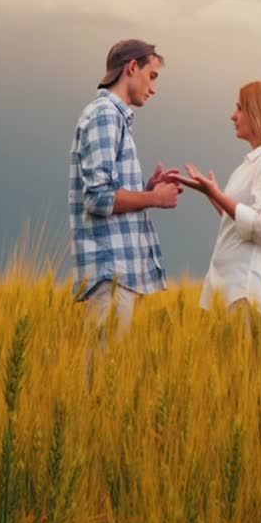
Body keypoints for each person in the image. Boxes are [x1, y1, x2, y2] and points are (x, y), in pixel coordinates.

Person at [68, 39, 183, 332]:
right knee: (105, 359)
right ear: (132, 67)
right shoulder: (105, 115)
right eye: (152, 76)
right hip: (111, 272)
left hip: (120, 273)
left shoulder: (113, 117)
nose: (154, 89)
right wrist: (155, 198)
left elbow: (107, 190)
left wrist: (148, 189)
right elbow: (98, 198)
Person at [181, 80, 261, 318]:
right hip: (230, 293)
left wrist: (217, 194)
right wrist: (212, 195)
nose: (233, 116)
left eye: (239, 108)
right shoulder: (253, 163)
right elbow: (239, 223)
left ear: (258, 112)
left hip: (250, 293)